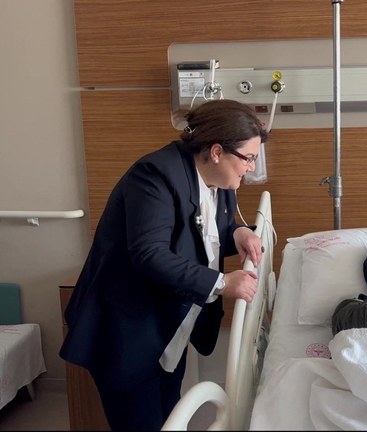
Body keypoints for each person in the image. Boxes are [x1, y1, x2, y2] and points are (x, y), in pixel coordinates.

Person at [59, 99, 267, 430]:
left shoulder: (219, 181)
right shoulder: (154, 176)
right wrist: (222, 284)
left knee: (169, 414)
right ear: (216, 151)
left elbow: (202, 234)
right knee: (141, 422)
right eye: (249, 158)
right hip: (128, 331)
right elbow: (149, 253)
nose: (252, 168)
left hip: (169, 326)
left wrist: (239, 232)